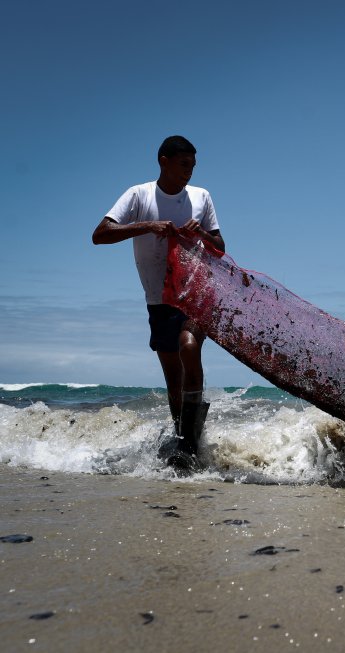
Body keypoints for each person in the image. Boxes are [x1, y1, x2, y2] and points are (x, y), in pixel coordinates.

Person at [92, 135, 226, 466]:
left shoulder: (201, 197)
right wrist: (148, 226)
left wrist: (202, 235)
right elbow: (100, 234)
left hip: (195, 292)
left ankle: (191, 446)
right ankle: (184, 442)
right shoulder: (138, 195)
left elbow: (220, 247)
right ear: (163, 162)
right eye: (183, 165)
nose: (189, 173)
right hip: (158, 297)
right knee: (173, 377)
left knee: (189, 347)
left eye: (193, 166)